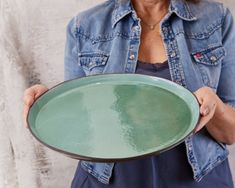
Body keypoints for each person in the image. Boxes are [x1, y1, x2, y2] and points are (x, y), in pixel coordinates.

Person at [23, 0, 235, 187]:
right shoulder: (84, 27)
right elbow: (78, 127)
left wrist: (213, 104)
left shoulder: (217, 19)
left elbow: (231, 133)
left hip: (199, 179)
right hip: (109, 180)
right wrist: (48, 104)